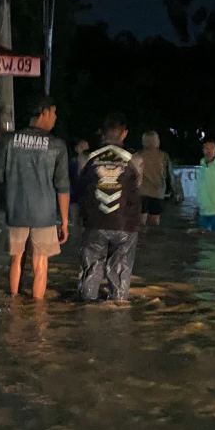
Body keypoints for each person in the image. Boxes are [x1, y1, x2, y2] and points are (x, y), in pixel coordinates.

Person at [0, 96, 70, 300]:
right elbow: (62, 186)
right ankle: (38, 311)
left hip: (16, 211)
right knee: (40, 264)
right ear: (44, 113)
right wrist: (64, 221)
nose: (55, 118)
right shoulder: (57, 145)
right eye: (53, 113)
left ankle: (14, 302)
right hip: (44, 215)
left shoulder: (9, 140)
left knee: (16, 259)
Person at [76, 113, 141, 302]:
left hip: (94, 223)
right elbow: (137, 190)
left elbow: (80, 190)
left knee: (90, 274)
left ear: (101, 134)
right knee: (120, 278)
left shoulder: (87, 158)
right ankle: (119, 314)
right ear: (124, 134)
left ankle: (86, 313)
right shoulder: (134, 159)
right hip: (125, 225)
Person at [134, 130, 172, 226]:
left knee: (141, 222)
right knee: (155, 222)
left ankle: (142, 240)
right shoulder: (163, 156)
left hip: (140, 192)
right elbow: (169, 175)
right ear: (157, 141)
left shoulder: (137, 155)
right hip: (157, 193)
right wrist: (172, 190)